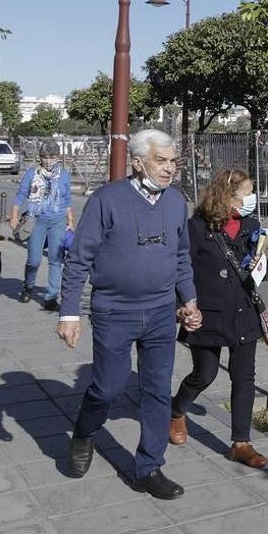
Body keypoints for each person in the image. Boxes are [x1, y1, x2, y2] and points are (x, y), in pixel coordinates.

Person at [57, 129, 202, 500]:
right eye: (161, 161)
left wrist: (189, 299)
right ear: (138, 163)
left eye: (173, 161)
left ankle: (149, 466)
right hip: (114, 312)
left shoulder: (175, 203)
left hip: (160, 313)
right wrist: (69, 312)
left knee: (156, 391)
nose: (169, 169)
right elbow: (79, 259)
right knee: (107, 388)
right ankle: (84, 433)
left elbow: (182, 256)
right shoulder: (107, 200)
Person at [169, 168, 268, 469]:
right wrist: (182, 307)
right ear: (226, 196)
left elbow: (264, 269)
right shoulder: (197, 227)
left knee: (244, 376)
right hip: (208, 314)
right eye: (246, 194)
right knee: (205, 374)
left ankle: (241, 443)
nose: (251, 199)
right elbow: (181, 268)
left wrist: (260, 263)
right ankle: (176, 411)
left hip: (243, 311)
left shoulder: (252, 224)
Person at [10, 141, 74, 309]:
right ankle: (28, 285)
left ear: (58, 157)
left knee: (55, 258)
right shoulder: (32, 174)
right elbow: (21, 194)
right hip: (35, 219)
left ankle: (51, 296)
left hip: (57, 219)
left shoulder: (64, 175)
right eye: (45, 157)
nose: (48, 160)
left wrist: (71, 220)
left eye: (52, 157)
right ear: (40, 157)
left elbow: (67, 199)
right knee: (34, 260)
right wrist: (14, 213)